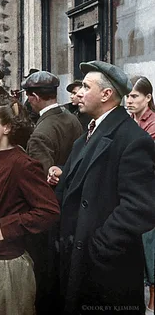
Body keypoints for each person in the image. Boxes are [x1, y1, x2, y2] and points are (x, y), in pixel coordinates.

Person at [48, 61, 155, 314]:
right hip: (77, 260)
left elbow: (141, 207)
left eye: (86, 86)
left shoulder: (132, 139)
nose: (79, 92)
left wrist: (99, 245)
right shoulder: (88, 133)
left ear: (106, 95)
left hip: (104, 270)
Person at [0, 95, 60, 315]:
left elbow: (49, 211)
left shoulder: (22, 163)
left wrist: (6, 227)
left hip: (7, 266)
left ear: (7, 128)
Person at [21, 70, 82, 314]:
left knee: (46, 278)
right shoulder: (72, 119)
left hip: (50, 219)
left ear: (34, 97)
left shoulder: (40, 133)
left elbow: (42, 185)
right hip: (73, 210)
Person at [126, 76, 155, 315]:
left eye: (134, 96)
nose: (129, 100)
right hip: (133, 192)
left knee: (150, 246)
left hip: (149, 192)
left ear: (148, 97)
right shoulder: (129, 122)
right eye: (127, 96)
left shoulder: (153, 124)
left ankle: (153, 302)